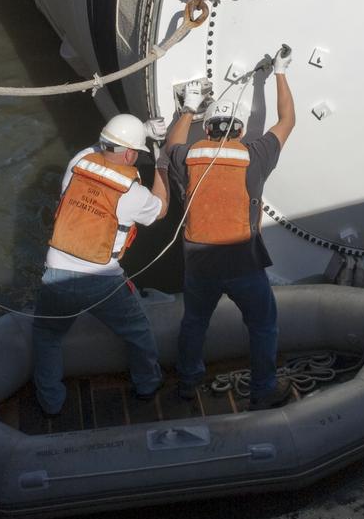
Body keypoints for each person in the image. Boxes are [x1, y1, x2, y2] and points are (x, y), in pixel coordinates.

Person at [161, 46, 296, 410]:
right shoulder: (254, 157)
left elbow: (171, 144)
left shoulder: (187, 158)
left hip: (200, 265)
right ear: (239, 130)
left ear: (206, 128)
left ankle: (188, 384)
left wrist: (186, 110)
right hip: (243, 264)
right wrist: (279, 74)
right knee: (263, 326)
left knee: (194, 323)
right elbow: (286, 122)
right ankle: (263, 389)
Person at [31, 113, 170, 416]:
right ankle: (147, 384)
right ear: (132, 154)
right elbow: (160, 209)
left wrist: (141, 131)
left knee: (46, 335)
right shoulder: (132, 194)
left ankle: (50, 401)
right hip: (102, 281)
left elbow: (99, 148)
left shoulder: (77, 163)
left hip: (56, 273)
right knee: (137, 331)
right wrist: (161, 163)